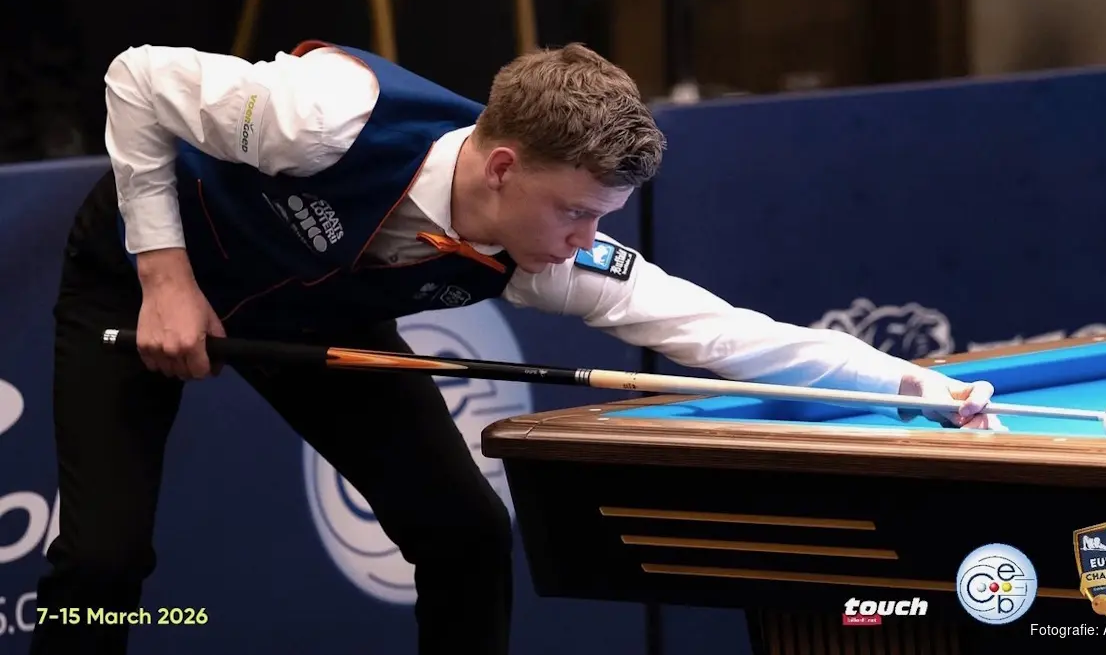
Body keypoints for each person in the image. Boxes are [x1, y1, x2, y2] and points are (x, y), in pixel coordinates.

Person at [29, 40, 1001, 655]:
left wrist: (915, 386)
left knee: (466, 534)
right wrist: (166, 276)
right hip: (137, 273)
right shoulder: (325, 116)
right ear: (502, 166)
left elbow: (728, 335)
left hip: (316, 319)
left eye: (600, 217)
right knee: (104, 565)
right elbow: (135, 78)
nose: (586, 240)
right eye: (575, 212)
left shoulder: (549, 255)